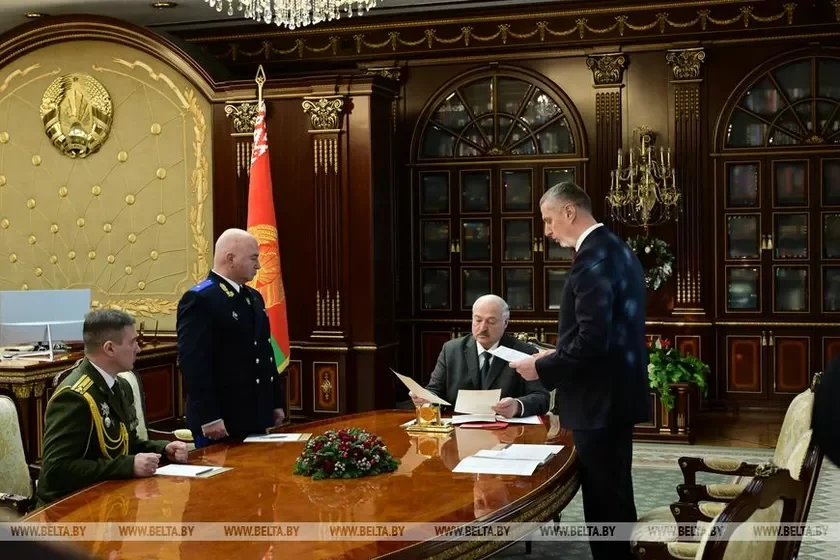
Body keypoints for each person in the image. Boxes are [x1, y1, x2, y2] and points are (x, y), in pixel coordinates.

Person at [510, 183, 649, 560]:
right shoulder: (617, 249)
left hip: (598, 401)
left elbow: (592, 339)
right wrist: (557, 353)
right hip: (613, 396)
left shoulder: (593, 259)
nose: (547, 230)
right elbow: (605, 333)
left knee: (604, 504)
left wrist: (540, 365)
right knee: (615, 496)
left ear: (569, 212)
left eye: (548, 220)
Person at [37, 310, 188, 507]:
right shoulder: (75, 396)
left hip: (110, 496)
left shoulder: (120, 385)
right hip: (68, 507)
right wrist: (128, 466)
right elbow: (56, 470)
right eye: (132, 342)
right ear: (109, 348)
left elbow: (126, 442)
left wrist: (163, 449)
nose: (138, 349)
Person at [177, 228, 286, 447]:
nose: (259, 265)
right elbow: (194, 364)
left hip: (255, 415)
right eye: (253, 258)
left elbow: (264, 353)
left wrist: (275, 403)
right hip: (221, 420)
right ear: (230, 258)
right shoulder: (201, 299)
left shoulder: (253, 297)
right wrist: (209, 416)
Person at [410, 294, 550, 418]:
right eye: (477, 320)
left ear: (505, 323)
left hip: (507, 431)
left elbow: (541, 398)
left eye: (491, 322)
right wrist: (426, 399)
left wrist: (517, 406)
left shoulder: (524, 352)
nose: (483, 328)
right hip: (458, 430)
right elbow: (435, 390)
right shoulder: (451, 350)